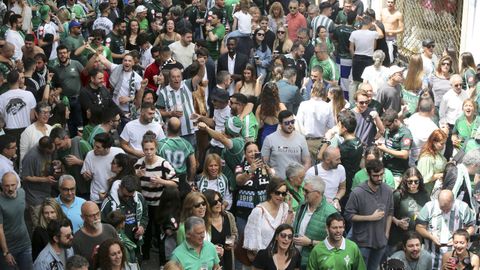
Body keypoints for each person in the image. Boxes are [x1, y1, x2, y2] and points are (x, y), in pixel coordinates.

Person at [134, 131, 178, 257]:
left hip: (159, 203)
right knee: (145, 230)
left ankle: (163, 258)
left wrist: (161, 181)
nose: (148, 152)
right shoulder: (138, 163)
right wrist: (136, 176)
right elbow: (132, 185)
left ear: (156, 148)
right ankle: (145, 256)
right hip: (144, 203)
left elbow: (175, 182)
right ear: (142, 149)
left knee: (160, 231)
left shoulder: (163, 163)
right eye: (146, 149)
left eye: (151, 149)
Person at [344, 159, 394, 270]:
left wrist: (386, 233)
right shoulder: (357, 192)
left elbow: (390, 212)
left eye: (381, 174)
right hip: (362, 241)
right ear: (368, 174)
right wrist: (370, 218)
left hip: (380, 240)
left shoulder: (387, 190)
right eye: (376, 175)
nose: (379, 178)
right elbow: (348, 215)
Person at [415, 190, 476, 269]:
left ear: (453, 202)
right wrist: (431, 237)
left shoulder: (463, 208)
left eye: (447, 209)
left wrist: (459, 238)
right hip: (433, 252)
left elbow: (471, 227)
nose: (445, 211)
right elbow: (419, 227)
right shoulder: (429, 207)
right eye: (442, 208)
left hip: (455, 253)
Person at [243, 177, 294, 263]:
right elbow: (252, 241)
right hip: (261, 259)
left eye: (284, 194)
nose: (280, 196)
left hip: (279, 258)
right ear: (270, 192)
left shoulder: (285, 207)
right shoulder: (258, 211)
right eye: (277, 193)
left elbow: (287, 230)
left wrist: (290, 208)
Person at [292, 176, 338, 268]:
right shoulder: (303, 204)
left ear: (317, 193)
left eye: (306, 191)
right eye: (303, 190)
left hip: (315, 262)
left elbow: (336, 244)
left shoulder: (331, 213)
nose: (303, 193)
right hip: (295, 259)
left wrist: (311, 242)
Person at [100, 176, 148, 258]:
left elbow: (144, 215)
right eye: (125, 195)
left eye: (130, 196)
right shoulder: (109, 203)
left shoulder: (139, 198)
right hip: (117, 247)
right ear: (119, 187)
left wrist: (142, 226)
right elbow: (102, 225)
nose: (127, 198)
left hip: (136, 243)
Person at [388, 168, 430, 255]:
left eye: (416, 181)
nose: (413, 184)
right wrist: (397, 222)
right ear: (405, 181)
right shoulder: (398, 194)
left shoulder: (425, 195)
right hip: (398, 238)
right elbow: (388, 212)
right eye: (410, 181)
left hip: (416, 240)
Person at [261, 110, 311, 179]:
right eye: (287, 123)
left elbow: (307, 162)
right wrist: (272, 175)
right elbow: (264, 163)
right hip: (277, 183)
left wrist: (300, 177)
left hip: (295, 182)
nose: (290, 125)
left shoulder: (301, 138)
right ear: (280, 124)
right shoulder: (269, 139)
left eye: (292, 122)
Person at [234, 141, 272, 232]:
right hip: (244, 213)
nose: (253, 153)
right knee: (243, 242)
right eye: (250, 151)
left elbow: (275, 183)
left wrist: (270, 173)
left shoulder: (266, 166)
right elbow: (238, 180)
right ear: (245, 154)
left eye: (255, 151)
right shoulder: (240, 166)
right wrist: (250, 171)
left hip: (263, 212)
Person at [21, 136, 57, 228]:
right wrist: (45, 179)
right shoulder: (31, 156)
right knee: (39, 226)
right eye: (49, 152)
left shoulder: (49, 149)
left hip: (46, 193)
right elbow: (25, 177)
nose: (50, 154)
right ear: (43, 149)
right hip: (35, 196)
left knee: (49, 222)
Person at [0, 172, 33, 270]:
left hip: (25, 244)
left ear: (17, 184)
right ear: (1, 186)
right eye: (6, 186)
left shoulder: (22, 193)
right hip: (8, 248)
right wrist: (6, 252)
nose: (10, 189)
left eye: (12, 185)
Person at [51, 45, 85, 137]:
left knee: (80, 122)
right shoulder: (55, 68)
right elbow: (55, 85)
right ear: (57, 55)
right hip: (64, 101)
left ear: (68, 53)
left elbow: (85, 76)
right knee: (68, 123)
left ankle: (81, 141)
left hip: (77, 98)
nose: (62, 55)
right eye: (60, 53)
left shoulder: (76, 64)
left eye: (64, 53)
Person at [157, 117, 196, 195]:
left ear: (167, 128)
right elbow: (193, 165)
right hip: (182, 180)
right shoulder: (186, 144)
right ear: (180, 129)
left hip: (166, 180)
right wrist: (190, 180)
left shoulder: (161, 145)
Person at [73, 201, 118, 267]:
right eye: (91, 216)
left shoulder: (110, 229)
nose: (96, 218)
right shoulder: (77, 239)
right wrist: (93, 259)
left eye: (98, 214)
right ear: (83, 217)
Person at [81, 133, 125, 203]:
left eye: (98, 147)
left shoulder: (119, 152)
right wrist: (86, 176)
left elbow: (127, 172)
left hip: (116, 197)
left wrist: (115, 179)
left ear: (107, 148)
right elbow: (85, 176)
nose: (94, 148)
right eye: (94, 145)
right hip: (96, 197)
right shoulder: (90, 155)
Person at [50, 128, 92, 199]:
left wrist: (78, 162)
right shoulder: (59, 151)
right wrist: (60, 164)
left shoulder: (81, 144)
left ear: (66, 138)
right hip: (73, 190)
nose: (57, 147)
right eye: (55, 145)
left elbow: (95, 163)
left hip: (86, 189)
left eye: (59, 144)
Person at [203, 189, 238, 270]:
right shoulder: (204, 222)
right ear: (208, 204)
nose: (219, 203)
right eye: (214, 202)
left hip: (228, 258)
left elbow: (234, 233)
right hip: (212, 261)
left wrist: (232, 240)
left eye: (220, 200)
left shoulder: (229, 216)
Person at [349, 15, 384, 90]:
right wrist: (375, 25)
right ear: (370, 23)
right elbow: (381, 34)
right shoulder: (373, 34)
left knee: (355, 81)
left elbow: (351, 48)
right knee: (366, 80)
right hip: (368, 59)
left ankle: (353, 99)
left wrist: (354, 57)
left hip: (357, 57)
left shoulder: (354, 33)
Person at [378, 109, 413, 181]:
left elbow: (404, 154)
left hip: (397, 173)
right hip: (385, 169)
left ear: (396, 121)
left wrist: (386, 150)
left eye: (388, 125)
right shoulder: (389, 129)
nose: (386, 128)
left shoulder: (405, 133)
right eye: (385, 126)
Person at [405, 97, 439, 165]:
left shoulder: (412, 117)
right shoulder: (433, 128)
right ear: (432, 110)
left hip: (409, 160)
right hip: (423, 162)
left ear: (419, 108)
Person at [255, 82, 287, 147]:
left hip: (265, 135)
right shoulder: (281, 106)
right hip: (279, 136)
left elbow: (257, 126)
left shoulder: (260, 108)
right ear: (276, 93)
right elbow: (287, 123)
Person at [417, 129, 448, 194]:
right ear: (434, 142)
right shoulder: (426, 157)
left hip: (436, 188)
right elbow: (424, 177)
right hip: (428, 191)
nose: (443, 146)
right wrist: (441, 175)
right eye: (441, 144)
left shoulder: (436, 153)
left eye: (444, 143)